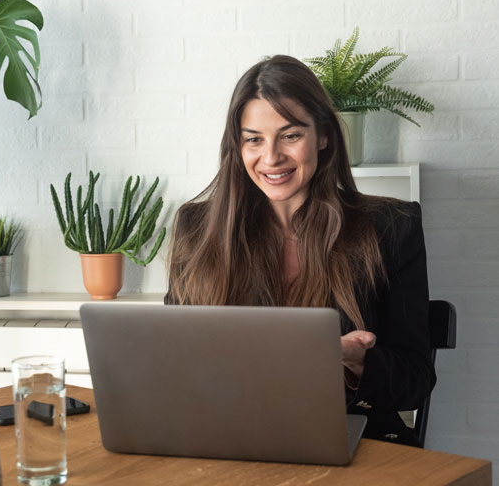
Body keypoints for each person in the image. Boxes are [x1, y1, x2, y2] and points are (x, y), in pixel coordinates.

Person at [165, 55, 436, 447]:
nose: (271, 157)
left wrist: (356, 364)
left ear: (323, 136)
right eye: (254, 139)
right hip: (232, 437)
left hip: (354, 440)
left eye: (290, 135)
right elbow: (175, 361)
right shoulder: (197, 229)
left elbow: (416, 379)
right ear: (237, 146)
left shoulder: (391, 227)